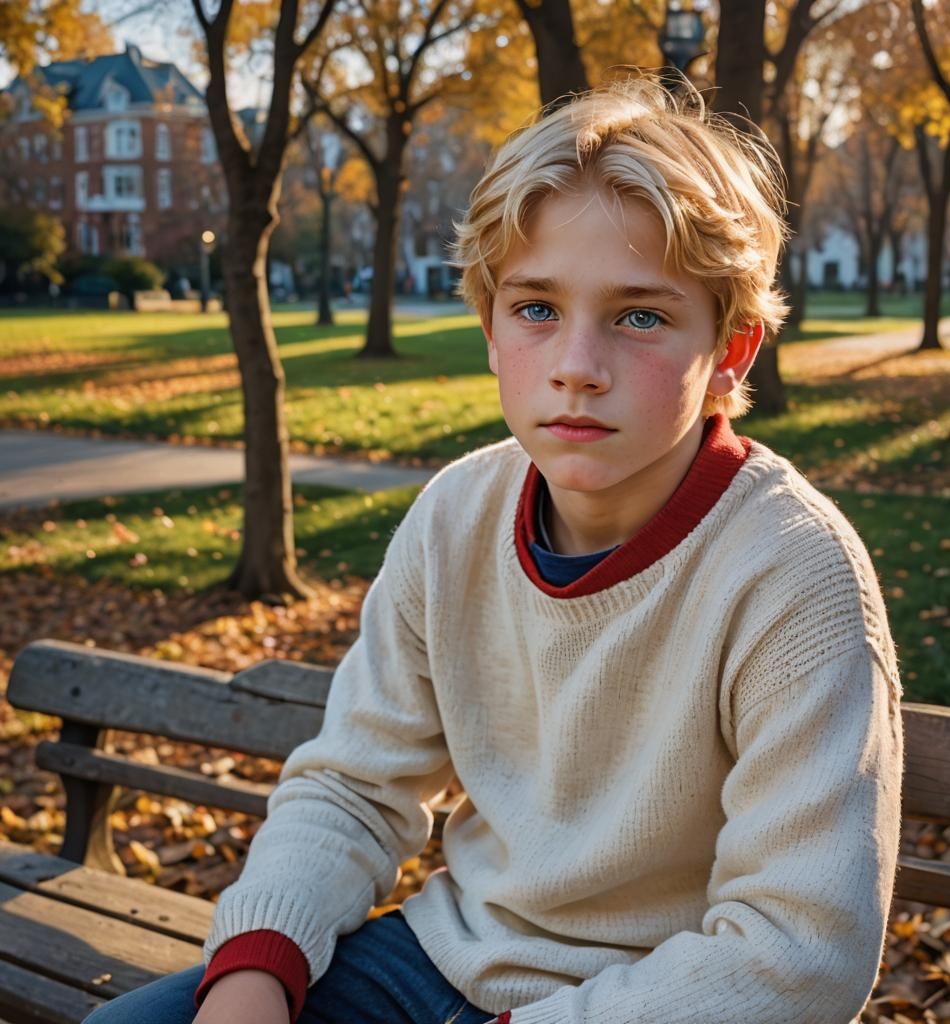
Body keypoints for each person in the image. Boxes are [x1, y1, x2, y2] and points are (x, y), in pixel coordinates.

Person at [86, 76, 903, 1024]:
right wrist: (253, 975)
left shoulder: (792, 574)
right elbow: (354, 786)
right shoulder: (457, 515)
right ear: (488, 327)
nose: (576, 366)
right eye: (536, 309)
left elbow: (800, 953)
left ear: (731, 350)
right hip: (438, 962)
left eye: (641, 316)